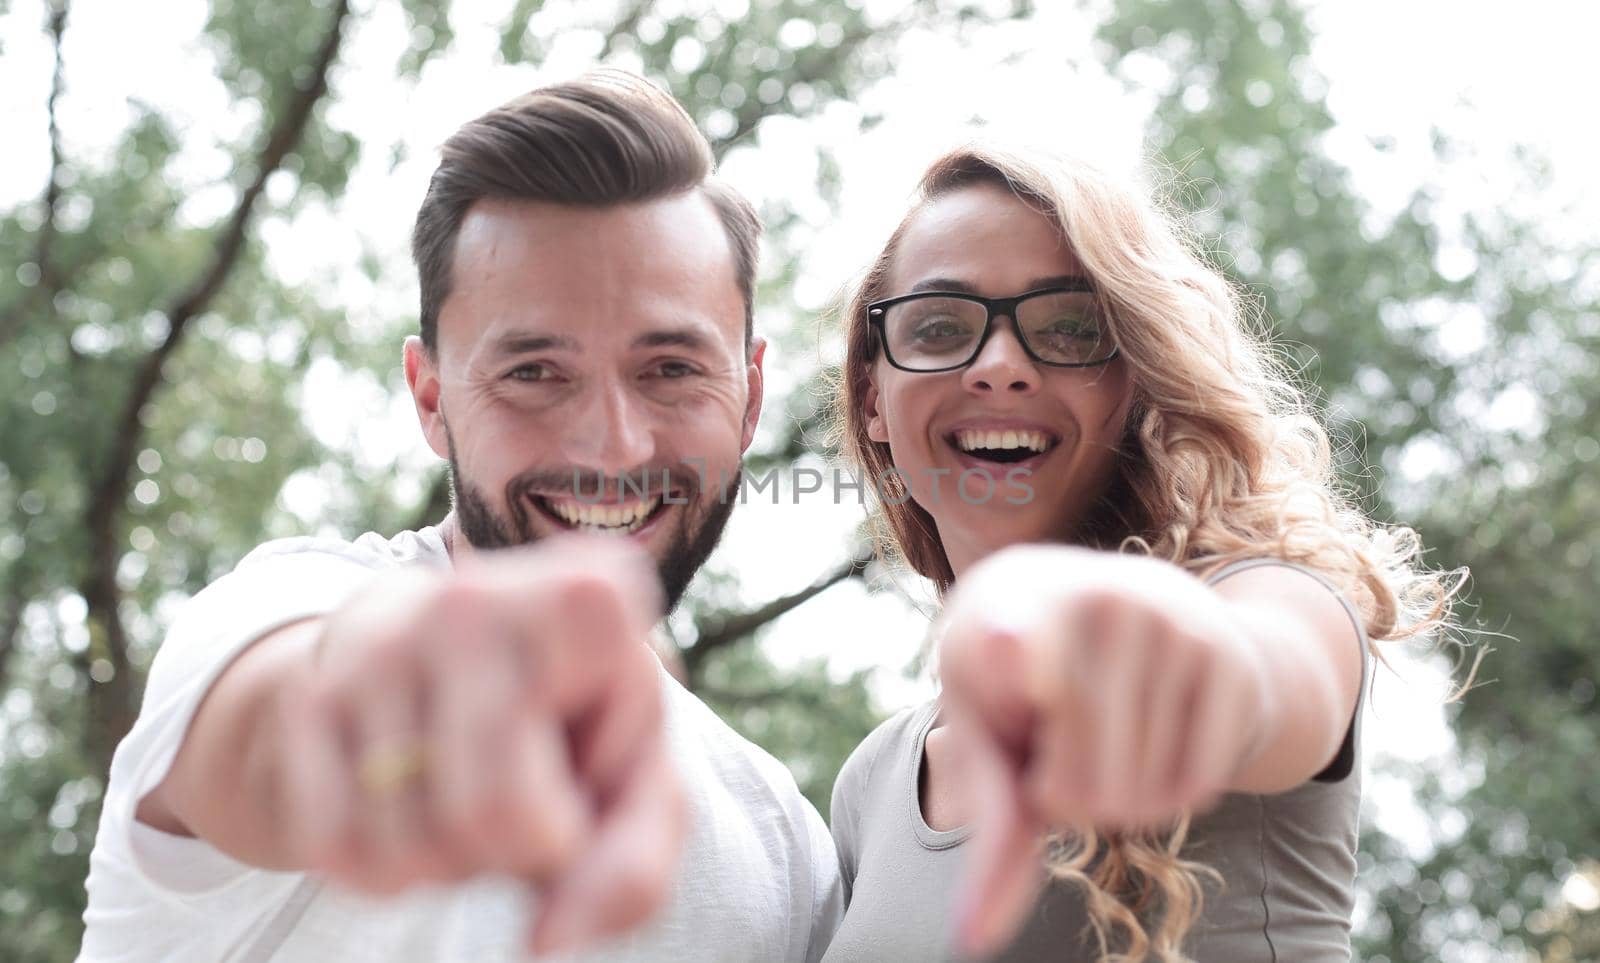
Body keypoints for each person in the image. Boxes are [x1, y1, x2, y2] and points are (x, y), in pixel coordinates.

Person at [79, 70, 841, 963]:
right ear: (431, 396)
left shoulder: (786, 842)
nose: (612, 446)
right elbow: (280, 733)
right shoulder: (275, 614)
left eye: (670, 368)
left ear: (749, 398)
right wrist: (395, 713)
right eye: (534, 372)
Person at [824, 144, 1460, 962]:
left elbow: (1268, 675)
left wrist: (1178, 659)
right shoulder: (869, 785)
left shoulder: (1266, 595)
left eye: (1070, 326)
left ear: (1135, 380)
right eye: (941, 326)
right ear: (875, 397)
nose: (1001, 366)